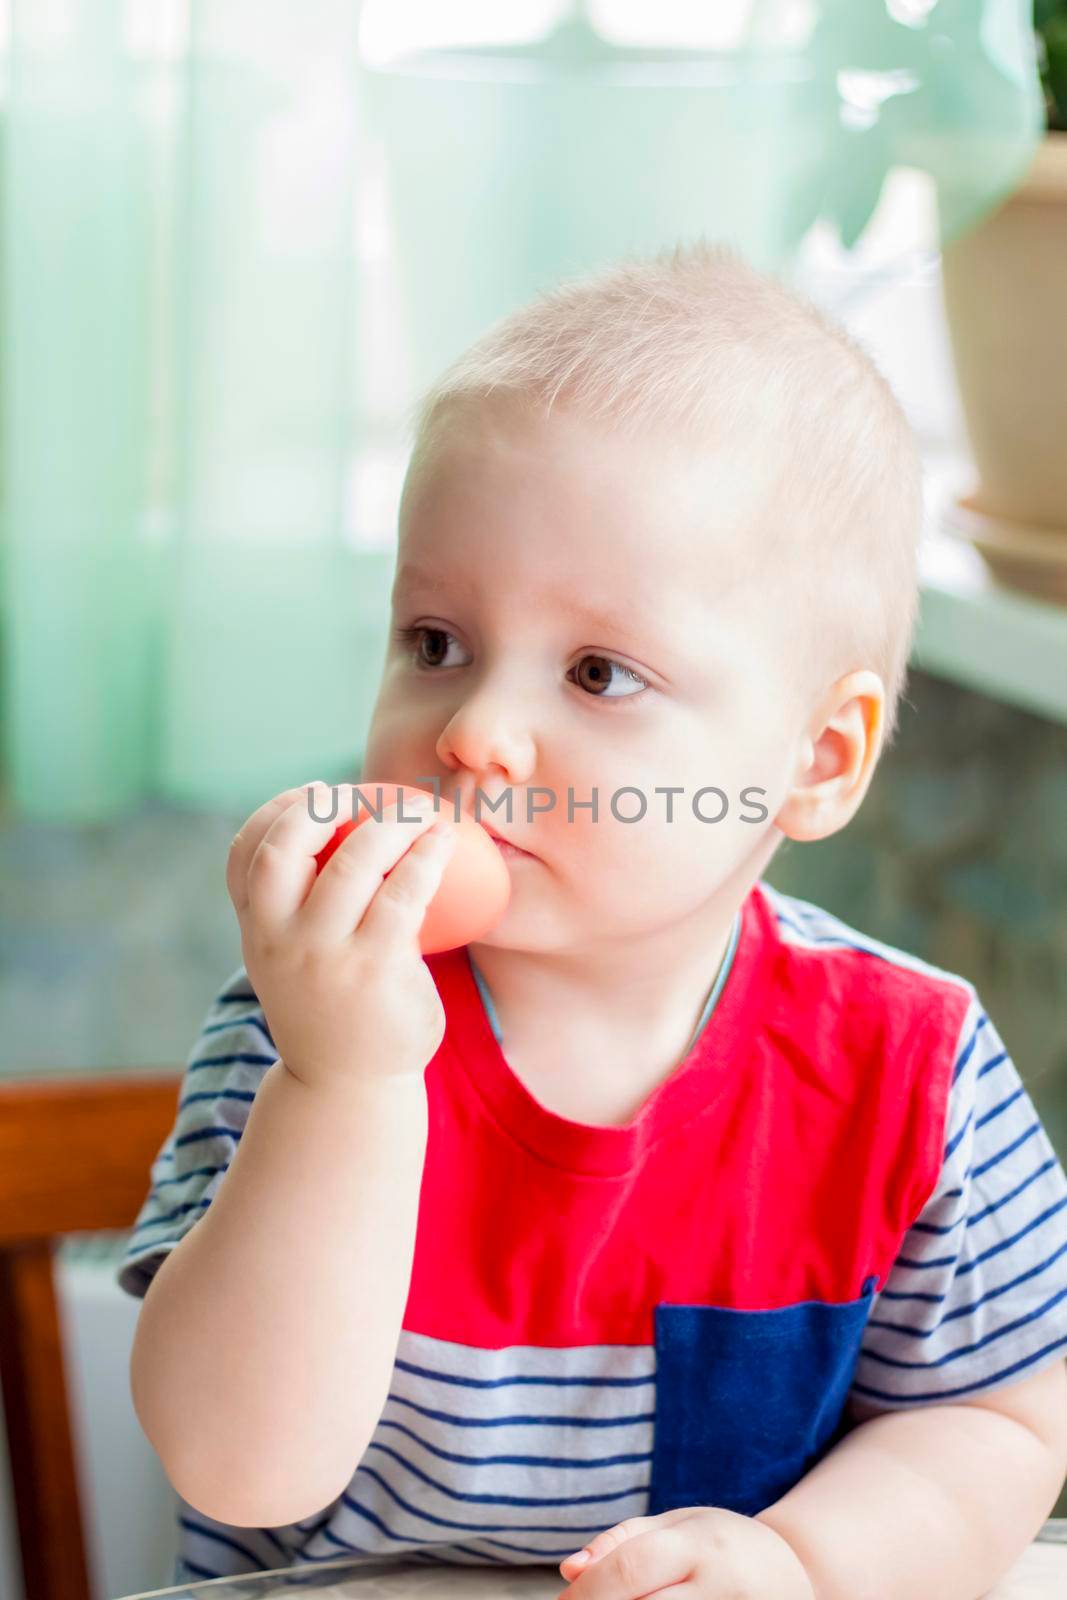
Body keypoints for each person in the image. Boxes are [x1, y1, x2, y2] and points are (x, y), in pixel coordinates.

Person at [118, 241, 1067, 1597]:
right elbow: (241, 1468)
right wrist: (350, 1086)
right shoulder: (308, 1019)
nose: (478, 733)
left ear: (816, 758)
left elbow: (997, 1418)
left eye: (599, 672)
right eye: (435, 643)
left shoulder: (913, 1071)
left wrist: (802, 1561)